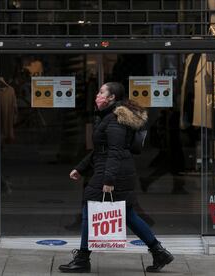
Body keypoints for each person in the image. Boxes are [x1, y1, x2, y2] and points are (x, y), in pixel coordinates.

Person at [59, 82, 174, 273]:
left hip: (113, 173)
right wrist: (81, 168)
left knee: (89, 206)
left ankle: (82, 258)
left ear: (111, 97)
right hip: (114, 171)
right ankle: (159, 252)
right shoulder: (109, 117)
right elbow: (101, 150)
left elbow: (115, 151)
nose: (97, 95)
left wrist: (108, 180)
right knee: (127, 214)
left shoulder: (115, 119)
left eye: (101, 92)